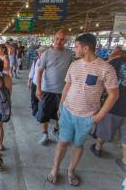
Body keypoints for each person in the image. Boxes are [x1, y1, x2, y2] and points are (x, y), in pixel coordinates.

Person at [47, 33, 119, 186]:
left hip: (87, 116)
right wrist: (61, 105)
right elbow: (67, 85)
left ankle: (71, 170)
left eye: (77, 46)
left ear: (86, 48)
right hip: (67, 111)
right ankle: (55, 169)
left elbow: (114, 94)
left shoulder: (106, 68)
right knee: (62, 142)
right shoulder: (74, 65)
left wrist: (99, 116)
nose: (74, 48)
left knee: (78, 145)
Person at [35, 29, 73, 145]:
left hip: (63, 91)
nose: (59, 41)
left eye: (62, 39)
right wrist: (38, 88)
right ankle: (45, 133)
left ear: (65, 41)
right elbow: (40, 72)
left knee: (59, 114)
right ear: (53, 38)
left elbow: (72, 71)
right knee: (44, 114)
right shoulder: (46, 53)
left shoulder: (69, 54)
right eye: (57, 38)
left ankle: (56, 131)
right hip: (47, 90)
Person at [90, 51, 126, 173]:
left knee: (105, 129)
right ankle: (125, 161)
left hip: (115, 104)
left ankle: (98, 148)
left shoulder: (116, 62)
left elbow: (100, 73)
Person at [0, 58, 12, 151]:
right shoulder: (7, 76)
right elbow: (10, 91)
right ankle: (1, 145)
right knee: (1, 126)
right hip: (6, 103)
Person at [28, 46, 47, 117]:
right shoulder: (36, 60)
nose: (39, 53)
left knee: (41, 99)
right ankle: (34, 111)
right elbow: (32, 71)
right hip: (34, 82)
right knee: (33, 98)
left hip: (43, 84)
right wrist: (29, 81)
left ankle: (41, 112)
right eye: (39, 52)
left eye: (41, 52)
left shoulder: (48, 62)